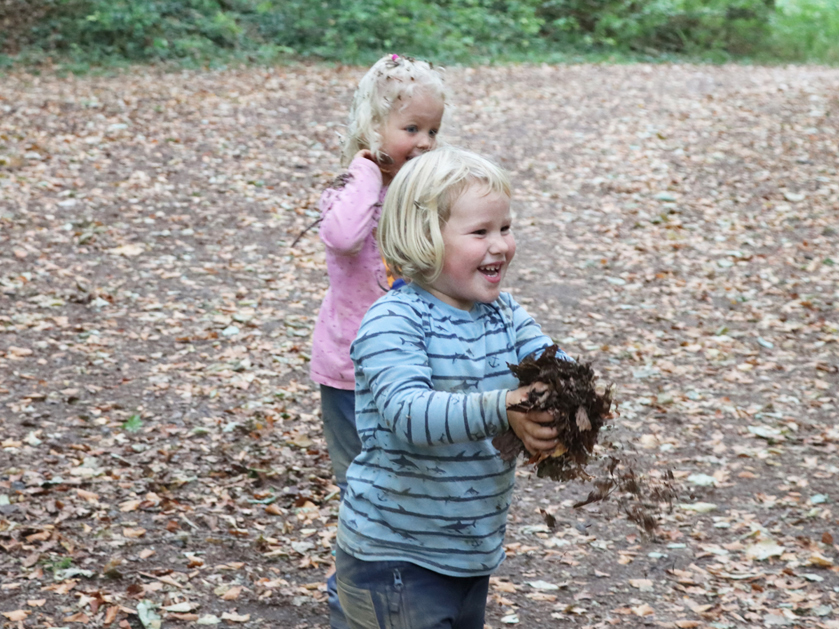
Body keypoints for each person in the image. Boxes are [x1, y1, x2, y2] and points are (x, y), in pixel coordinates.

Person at [335, 146, 571, 629]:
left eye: (505, 228)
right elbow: (410, 414)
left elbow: (555, 366)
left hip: (469, 552)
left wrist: (565, 404)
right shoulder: (394, 320)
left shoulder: (504, 314)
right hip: (395, 557)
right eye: (480, 232)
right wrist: (506, 407)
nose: (500, 245)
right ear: (424, 238)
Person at [308, 54, 446, 629]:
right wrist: (367, 169)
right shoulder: (348, 190)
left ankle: (404, 581)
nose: (425, 141)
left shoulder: (422, 191)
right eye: (411, 128)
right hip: (350, 372)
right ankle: (351, 595)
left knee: (408, 479)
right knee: (363, 487)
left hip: (409, 369)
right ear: (372, 129)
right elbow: (343, 239)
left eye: (433, 130)